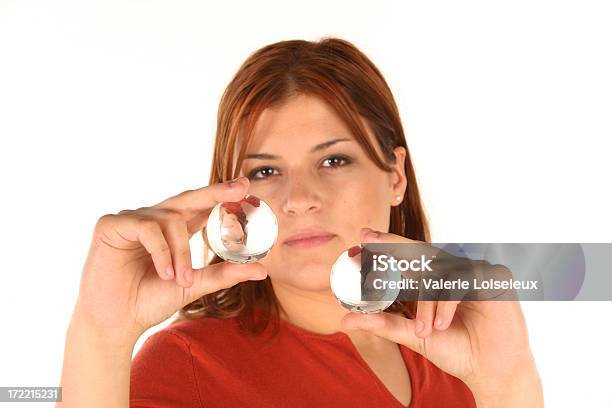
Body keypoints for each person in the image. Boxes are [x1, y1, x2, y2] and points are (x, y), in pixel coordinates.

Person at [57, 38, 544, 407]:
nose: (299, 200)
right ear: (233, 198)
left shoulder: (467, 351)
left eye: (333, 161)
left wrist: (508, 379)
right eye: (265, 172)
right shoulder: (189, 366)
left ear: (395, 175)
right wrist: (101, 332)